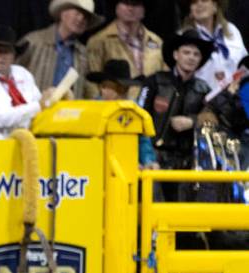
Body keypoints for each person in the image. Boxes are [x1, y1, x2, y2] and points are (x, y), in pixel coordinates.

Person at [137, 29, 242, 201]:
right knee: (153, 215)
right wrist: (146, 157)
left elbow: (216, 121)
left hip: (187, 163)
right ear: (176, 54)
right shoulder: (154, 82)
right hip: (154, 160)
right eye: (186, 52)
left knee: (183, 219)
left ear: (200, 60)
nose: (191, 57)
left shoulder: (204, 89)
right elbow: (138, 120)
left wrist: (192, 121)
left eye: (196, 54)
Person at [18, 0, 105, 100]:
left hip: (67, 113)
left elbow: (87, 88)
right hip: (34, 111)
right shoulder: (34, 42)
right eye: (77, 13)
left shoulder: (82, 54)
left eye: (86, 16)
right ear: (63, 14)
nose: (81, 18)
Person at [86, 0, 166, 101]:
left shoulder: (157, 42)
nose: (130, 8)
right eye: (125, 3)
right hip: (113, 110)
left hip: (149, 110)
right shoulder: (99, 41)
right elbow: (91, 84)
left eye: (135, 4)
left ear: (144, 10)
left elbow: (164, 80)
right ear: (116, 7)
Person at [86, 59, 159, 169]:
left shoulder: (134, 111)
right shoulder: (91, 111)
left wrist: (148, 162)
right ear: (103, 87)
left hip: (126, 173)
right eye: (116, 88)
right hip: (96, 168)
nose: (121, 93)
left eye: (124, 89)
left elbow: (143, 141)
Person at [179, 0, 248, 91]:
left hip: (236, 97)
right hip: (202, 100)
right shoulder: (183, 37)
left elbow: (245, 66)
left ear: (215, 6)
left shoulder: (232, 30)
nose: (199, 4)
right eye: (194, 2)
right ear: (190, 11)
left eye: (204, 0)